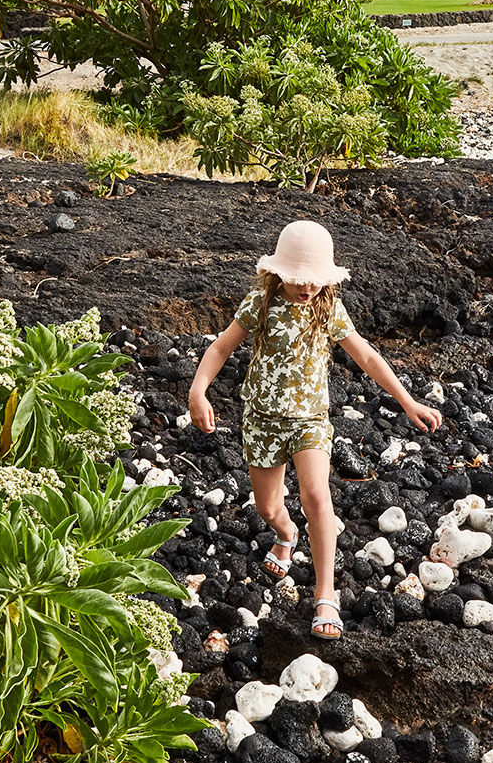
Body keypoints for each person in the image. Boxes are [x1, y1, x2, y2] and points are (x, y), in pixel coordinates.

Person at [188, 220, 443, 641]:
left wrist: (407, 400)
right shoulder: (260, 303)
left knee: (316, 496)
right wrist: (199, 391)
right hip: (262, 421)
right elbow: (220, 348)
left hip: (310, 420)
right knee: (268, 508)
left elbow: (367, 356)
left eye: (315, 281)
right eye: (297, 280)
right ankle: (286, 535)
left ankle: (326, 592)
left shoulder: (329, 309)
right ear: (279, 273)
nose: (306, 289)